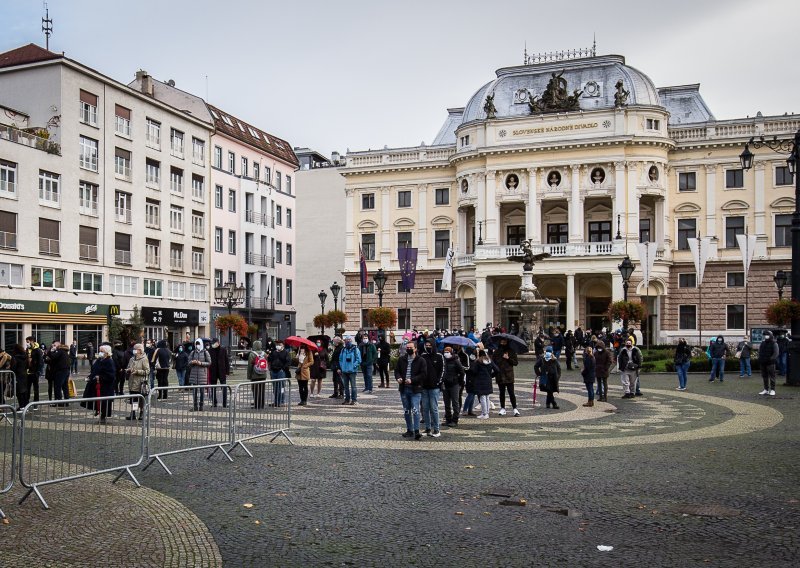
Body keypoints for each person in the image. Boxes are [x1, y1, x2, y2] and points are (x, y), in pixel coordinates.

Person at [394, 341, 427, 440]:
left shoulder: (421, 360)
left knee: (415, 410)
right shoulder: (402, 359)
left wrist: (412, 380)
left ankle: (416, 431)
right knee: (407, 410)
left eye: (410, 347)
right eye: (407, 347)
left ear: (415, 349)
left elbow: (423, 374)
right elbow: (397, 371)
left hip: (415, 389)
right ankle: (409, 430)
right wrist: (398, 378)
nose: (408, 349)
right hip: (404, 389)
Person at [420, 338, 444, 437]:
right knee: (425, 408)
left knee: (434, 408)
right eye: (427, 345)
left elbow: (442, 370)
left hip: (434, 387)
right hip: (424, 387)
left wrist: (438, 382)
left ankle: (436, 429)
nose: (428, 347)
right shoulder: (423, 356)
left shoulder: (439, 356)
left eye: (430, 345)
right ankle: (427, 428)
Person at [491, 337, 520, 416]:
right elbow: (493, 363)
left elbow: (515, 363)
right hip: (500, 375)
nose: (503, 343)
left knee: (511, 393)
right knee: (502, 393)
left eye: (505, 342)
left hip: (509, 375)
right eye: (502, 342)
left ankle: (515, 408)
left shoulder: (511, 351)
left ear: (507, 342)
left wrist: (508, 358)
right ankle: (502, 408)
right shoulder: (496, 352)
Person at [90, 344, 116, 424]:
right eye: (99, 351)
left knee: (105, 402)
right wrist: (91, 377)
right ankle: (99, 412)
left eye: (102, 351)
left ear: (107, 352)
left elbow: (111, 375)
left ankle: (103, 416)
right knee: (98, 400)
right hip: (98, 385)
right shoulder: (99, 360)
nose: (100, 353)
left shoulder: (109, 361)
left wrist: (100, 377)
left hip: (106, 386)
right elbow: (94, 369)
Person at [470, 348, 498, 420]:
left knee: (482, 397)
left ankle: (484, 413)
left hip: (480, 381)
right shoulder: (490, 361)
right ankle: (487, 412)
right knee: (487, 397)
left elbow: (474, 371)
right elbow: (497, 370)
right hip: (488, 381)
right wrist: (491, 375)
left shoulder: (478, 362)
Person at [125, 343, 150, 420]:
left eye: (135, 349)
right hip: (132, 382)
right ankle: (133, 413)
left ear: (140, 350)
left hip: (140, 383)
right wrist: (128, 370)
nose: (134, 350)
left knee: (141, 400)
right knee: (133, 399)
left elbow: (147, 371)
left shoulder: (144, 359)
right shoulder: (132, 359)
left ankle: (142, 413)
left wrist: (137, 371)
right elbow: (129, 367)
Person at [441, 346, 465, 428]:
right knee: (446, 403)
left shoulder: (456, 361)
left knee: (455, 403)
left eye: (448, 352)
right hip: (445, 384)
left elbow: (462, 372)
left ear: (451, 353)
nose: (446, 354)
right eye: (445, 352)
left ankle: (455, 420)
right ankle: (448, 419)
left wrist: (459, 381)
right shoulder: (443, 361)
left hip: (454, 384)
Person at [187, 338, 211, 411]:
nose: (197, 345)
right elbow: (188, 362)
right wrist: (192, 362)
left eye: (198, 344)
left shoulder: (205, 352)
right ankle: (195, 406)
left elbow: (209, 362)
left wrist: (201, 363)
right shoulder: (193, 352)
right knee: (194, 391)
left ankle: (201, 406)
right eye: (196, 344)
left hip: (202, 374)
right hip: (194, 374)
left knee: (201, 391)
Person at [337, 335, 361, 405]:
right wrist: (342, 366)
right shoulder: (343, 350)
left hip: (352, 371)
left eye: (349, 340)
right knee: (346, 387)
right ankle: (347, 399)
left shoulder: (355, 349)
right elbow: (340, 359)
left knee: (353, 386)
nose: (347, 341)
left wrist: (354, 366)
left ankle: (354, 400)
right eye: (346, 340)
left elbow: (358, 359)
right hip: (344, 371)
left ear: (351, 340)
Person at [267, 341, 290, 407]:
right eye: (277, 344)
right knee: (275, 387)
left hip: (281, 371)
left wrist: (283, 368)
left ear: (283, 345)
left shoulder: (286, 353)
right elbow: (270, 360)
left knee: (281, 387)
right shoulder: (274, 352)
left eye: (279, 344)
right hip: (274, 371)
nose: (278, 346)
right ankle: (276, 401)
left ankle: (281, 401)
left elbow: (288, 362)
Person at [209, 338, 230, 408]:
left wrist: (227, 372)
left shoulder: (223, 350)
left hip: (222, 372)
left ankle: (225, 403)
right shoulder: (210, 350)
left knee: (224, 388)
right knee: (213, 388)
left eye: (214, 343)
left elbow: (226, 361)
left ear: (218, 343)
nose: (212, 344)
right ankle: (214, 403)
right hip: (213, 371)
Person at [247, 340, 268, 409]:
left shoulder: (252, 354)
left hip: (254, 375)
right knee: (262, 390)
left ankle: (256, 405)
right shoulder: (264, 354)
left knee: (255, 390)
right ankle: (262, 405)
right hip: (263, 374)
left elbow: (249, 366)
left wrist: (249, 376)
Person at [758, 331, 779, 396]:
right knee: (764, 376)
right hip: (763, 362)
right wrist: (760, 358)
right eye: (765, 335)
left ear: (770, 335)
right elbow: (759, 351)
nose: (766, 336)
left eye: (767, 335)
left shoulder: (774, 343)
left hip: (770, 363)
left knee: (772, 376)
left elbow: (776, 353)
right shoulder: (762, 343)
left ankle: (772, 390)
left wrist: (770, 359)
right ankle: (766, 389)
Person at [10, 343, 29, 409]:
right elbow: (27, 365)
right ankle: (25, 405)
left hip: (17, 375)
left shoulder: (15, 357)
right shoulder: (25, 356)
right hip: (24, 375)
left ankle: (21, 406)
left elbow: (13, 367)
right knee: (24, 391)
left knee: (19, 392)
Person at [25, 336, 42, 403]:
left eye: (28, 342)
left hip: (34, 372)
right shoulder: (27, 349)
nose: (27, 343)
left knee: (35, 388)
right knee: (27, 388)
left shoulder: (38, 350)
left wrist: (38, 371)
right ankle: (26, 401)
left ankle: (36, 402)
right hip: (28, 372)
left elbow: (40, 362)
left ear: (32, 341)